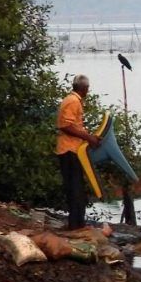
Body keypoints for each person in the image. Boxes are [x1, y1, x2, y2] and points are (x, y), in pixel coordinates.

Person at [54, 75, 101, 230]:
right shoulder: (73, 101)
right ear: (84, 88)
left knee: (77, 188)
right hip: (69, 150)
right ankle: (75, 226)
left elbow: (74, 125)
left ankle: (78, 223)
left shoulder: (73, 100)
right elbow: (65, 126)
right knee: (75, 189)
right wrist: (88, 137)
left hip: (75, 150)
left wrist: (89, 138)